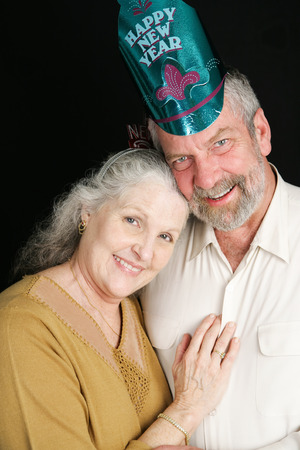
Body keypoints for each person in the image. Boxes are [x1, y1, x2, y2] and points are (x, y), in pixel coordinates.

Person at [0, 148, 240, 450]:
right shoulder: (20, 327)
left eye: (165, 236)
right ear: (87, 212)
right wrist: (187, 410)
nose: (145, 252)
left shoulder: (133, 310)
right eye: (132, 220)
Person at [141, 68, 300, 449]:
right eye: (181, 160)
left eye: (221, 143)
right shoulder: (149, 253)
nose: (207, 178)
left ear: (260, 132)